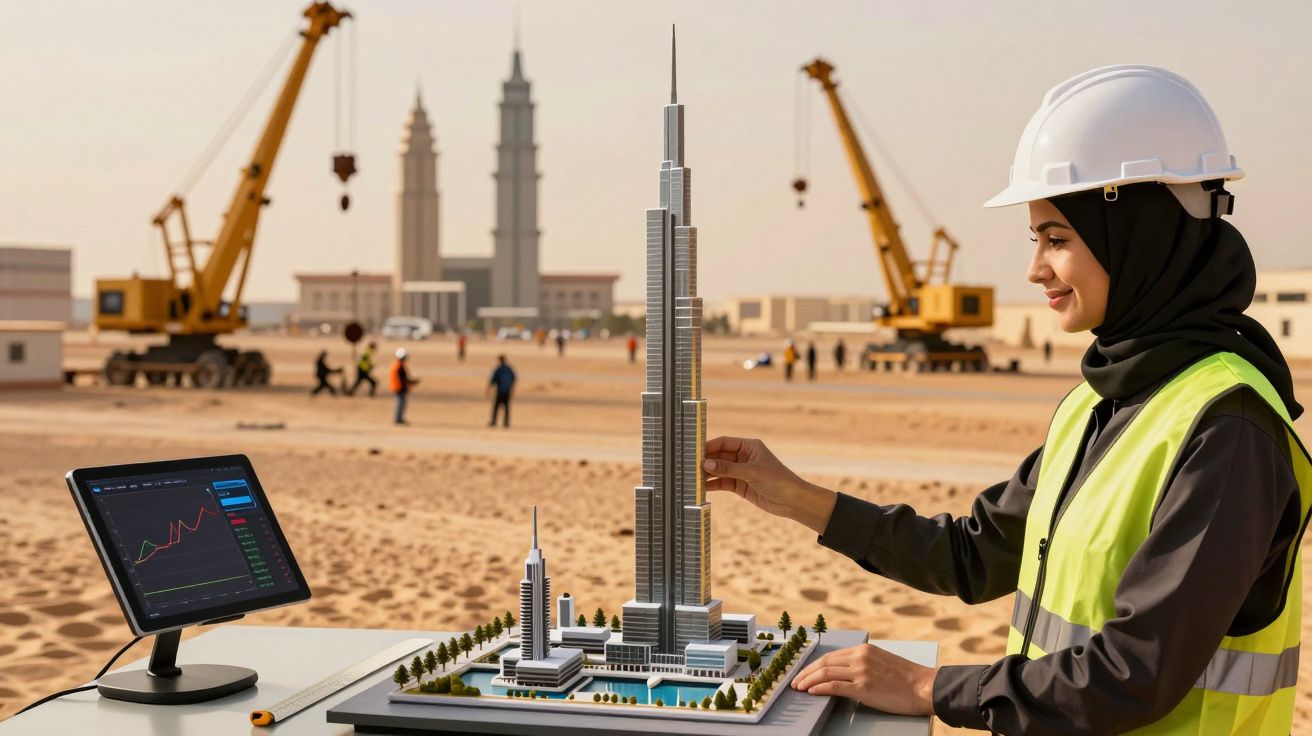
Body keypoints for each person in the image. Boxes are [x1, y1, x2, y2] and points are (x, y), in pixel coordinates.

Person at [702, 65, 1308, 734]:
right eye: (1036, 240)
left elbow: (1136, 671)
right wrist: (794, 497)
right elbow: (973, 553)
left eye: (1057, 239)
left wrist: (933, 687)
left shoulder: (1229, 428)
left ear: (1137, 235)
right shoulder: (1099, 402)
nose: (1034, 269)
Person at [388, 348, 417, 425]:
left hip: (399, 387)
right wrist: (411, 382)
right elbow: (403, 378)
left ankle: (399, 418)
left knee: (401, 404)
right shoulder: (398, 366)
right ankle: (398, 419)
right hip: (399, 388)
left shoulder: (398, 365)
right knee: (400, 404)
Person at [487, 354, 516, 428]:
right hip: (507, 390)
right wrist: (512, 390)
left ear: (500, 360)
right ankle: (506, 423)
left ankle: (494, 422)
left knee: (496, 407)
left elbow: (493, 380)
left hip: (500, 390)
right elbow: (513, 380)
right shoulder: (509, 369)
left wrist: (488, 389)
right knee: (506, 407)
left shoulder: (498, 369)